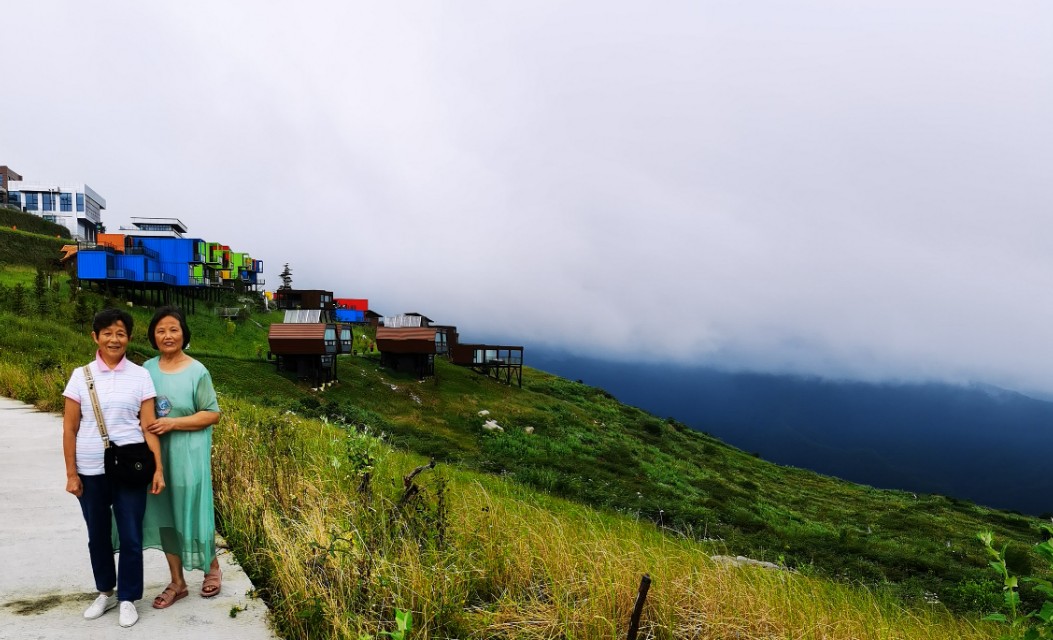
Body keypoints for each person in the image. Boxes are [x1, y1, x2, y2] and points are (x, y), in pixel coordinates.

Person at [63, 308, 165, 628]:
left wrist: (158, 468)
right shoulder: (81, 376)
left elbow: (149, 425)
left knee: (131, 535)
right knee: (98, 535)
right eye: (107, 333)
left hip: (130, 468)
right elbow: (69, 428)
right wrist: (71, 473)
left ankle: (129, 598)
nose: (114, 339)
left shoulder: (140, 375)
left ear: (128, 338)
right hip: (90, 467)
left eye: (120, 333)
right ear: (95, 337)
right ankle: (106, 592)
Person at [140, 306, 222, 609]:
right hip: (157, 456)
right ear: (153, 336)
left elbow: (212, 413)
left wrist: (173, 423)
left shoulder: (197, 370)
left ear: (183, 333)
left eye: (173, 329)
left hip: (189, 453)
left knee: (194, 509)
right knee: (165, 514)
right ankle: (177, 582)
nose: (167, 335)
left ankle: (211, 567)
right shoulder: (146, 369)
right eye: (160, 330)